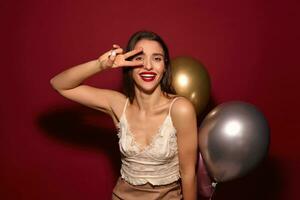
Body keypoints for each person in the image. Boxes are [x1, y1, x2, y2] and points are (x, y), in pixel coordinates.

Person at [50, 31, 198, 200]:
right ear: (127, 64)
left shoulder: (180, 109)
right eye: (139, 58)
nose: (148, 66)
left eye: (156, 58)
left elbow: (188, 175)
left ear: (164, 67)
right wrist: (101, 65)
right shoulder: (118, 105)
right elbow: (60, 85)